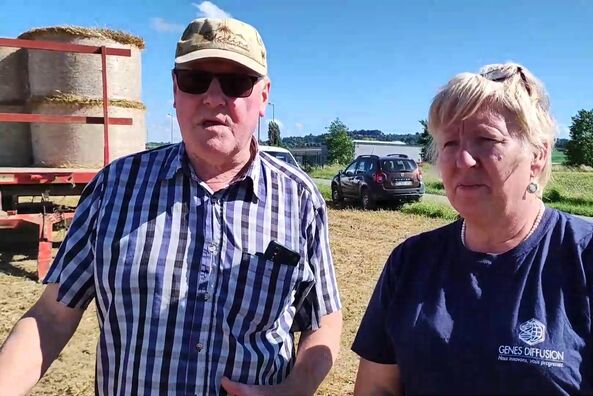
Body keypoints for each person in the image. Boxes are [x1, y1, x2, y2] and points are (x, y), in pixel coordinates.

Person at [0, 17, 342, 395]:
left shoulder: (300, 200)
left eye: (236, 82)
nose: (214, 97)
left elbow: (323, 320)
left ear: (263, 97)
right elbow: (51, 317)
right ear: (175, 90)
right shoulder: (114, 188)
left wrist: (293, 390)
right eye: (196, 79)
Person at [352, 62, 593, 395]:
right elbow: (377, 386)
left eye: (486, 139)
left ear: (538, 156)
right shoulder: (410, 261)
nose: (463, 160)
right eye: (450, 144)